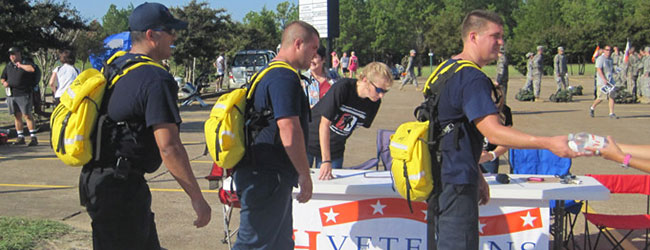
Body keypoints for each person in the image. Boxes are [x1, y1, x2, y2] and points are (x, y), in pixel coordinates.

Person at [426, 10, 579, 249]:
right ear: (473, 36)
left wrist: (477, 173)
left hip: (438, 174)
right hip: (455, 181)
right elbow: (494, 132)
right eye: (495, 36)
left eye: (502, 37)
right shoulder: (472, 77)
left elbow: (452, 130)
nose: (501, 43)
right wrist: (547, 143)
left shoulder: (445, 69)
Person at [78, 3, 211, 249]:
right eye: (170, 31)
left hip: (99, 183)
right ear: (151, 35)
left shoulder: (117, 67)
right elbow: (169, 147)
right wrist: (197, 198)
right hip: (121, 191)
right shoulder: (156, 78)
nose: (175, 37)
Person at [233, 20, 318, 249]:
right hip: (266, 175)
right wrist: (304, 173)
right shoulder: (283, 77)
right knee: (253, 244)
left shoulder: (269, 73)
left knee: (280, 243)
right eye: (314, 48)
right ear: (298, 43)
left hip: (265, 174)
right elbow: (288, 128)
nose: (316, 56)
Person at [307, 62, 392, 180]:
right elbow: (324, 124)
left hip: (335, 149)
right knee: (299, 185)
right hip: (308, 142)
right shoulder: (343, 87)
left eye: (385, 91)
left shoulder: (374, 103)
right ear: (365, 80)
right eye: (378, 89)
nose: (381, 95)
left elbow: (349, 128)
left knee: (331, 187)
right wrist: (326, 160)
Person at [1, 47, 38, 146]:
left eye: (13, 54)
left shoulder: (26, 63)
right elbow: (3, 77)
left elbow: (32, 69)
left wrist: (21, 65)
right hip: (12, 94)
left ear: (19, 54)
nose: (12, 56)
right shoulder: (9, 66)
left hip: (23, 93)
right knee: (17, 116)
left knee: (27, 115)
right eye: (10, 55)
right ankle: (20, 137)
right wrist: (4, 82)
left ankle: (33, 137)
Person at [589, 45, 618, 119]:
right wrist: (604, 79)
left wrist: (616, 71)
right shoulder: (600, 59)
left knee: (612, 96)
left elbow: (611, 69)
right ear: (604, 50)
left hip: (610, 82)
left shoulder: (610, 59)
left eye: (609, 50)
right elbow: (599, 70)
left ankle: (611, 113)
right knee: (601, 98)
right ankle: (592, 107)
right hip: (602, 82)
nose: (608, 51)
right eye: (607, 50)